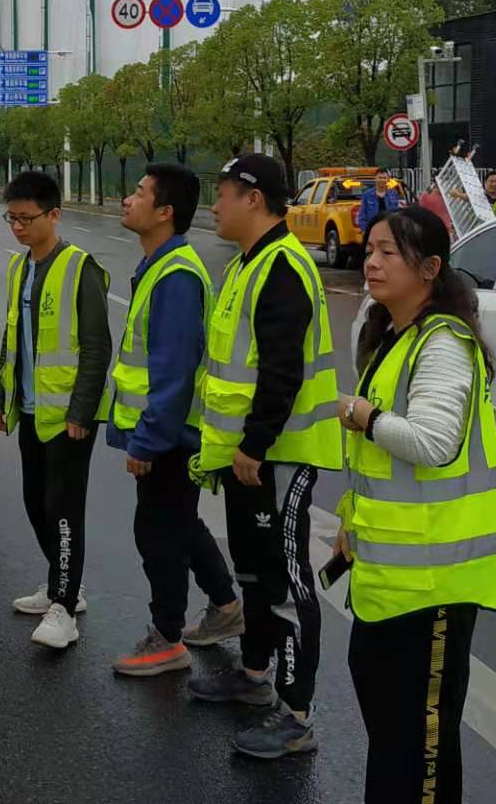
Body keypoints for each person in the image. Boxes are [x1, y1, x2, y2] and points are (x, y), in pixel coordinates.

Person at [335, 207, 496, 804]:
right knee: (393, 737)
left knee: (421, 746)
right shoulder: (397, 336)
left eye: (389, 252)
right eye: (370, 249)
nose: (372, 261)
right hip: (392, 581)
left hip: (435, 586)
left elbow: (432, 445)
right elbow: (380, 473)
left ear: (431, 268)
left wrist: (364, 416)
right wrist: (350, 527)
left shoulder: (443, 344)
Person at [188, 154, 344, 760]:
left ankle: (297, 712)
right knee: (253, 572)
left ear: (253, 198)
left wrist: (254, 444)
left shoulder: (282, 266)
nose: (216, 204)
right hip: (247, 457)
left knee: (286, 581)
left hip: (277, 456)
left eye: (222, 193)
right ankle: (254, 674)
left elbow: (282, 368)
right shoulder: (248, 263)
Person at [106, 163, 242, 678]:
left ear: (164, 212)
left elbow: (174, 370)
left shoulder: (177, 274)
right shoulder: (160, 265)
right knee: (178, 523)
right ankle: (226, 608)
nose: (127, 199)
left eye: (138, 193)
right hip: (171, 433)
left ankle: (166, 638)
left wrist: (147, 441)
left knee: (158, 533)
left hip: (172, 435)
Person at [0, 172, 112, 649]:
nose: (17, 227)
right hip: (33, 409)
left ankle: (64, 606)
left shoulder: (81, 267)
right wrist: (0, 396)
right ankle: (62, 586)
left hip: (69, 417)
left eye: (26, 218)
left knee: (63, 509)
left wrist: (82, 410)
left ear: (54, 215)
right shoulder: (21, 268)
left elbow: (98, 347)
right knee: (35, 500)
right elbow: (11, 338)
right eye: (11, 218)